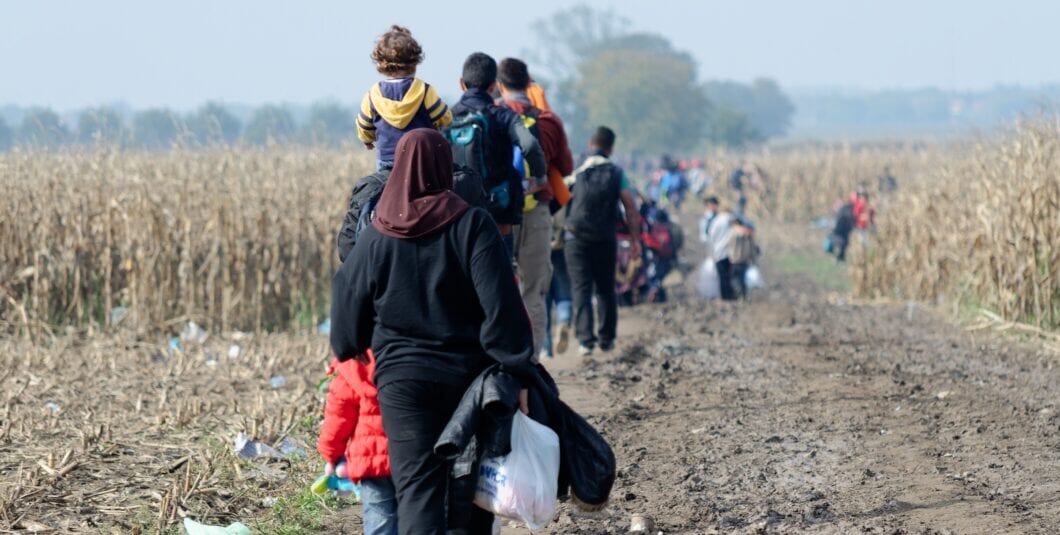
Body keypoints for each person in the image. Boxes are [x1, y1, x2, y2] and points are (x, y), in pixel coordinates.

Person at [330, 129, 535, 533]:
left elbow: (346, 303)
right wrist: (517, 371)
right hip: (470, 382)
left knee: (417, 490)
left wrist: (353, 343)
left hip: (402, 385)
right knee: (470, 488)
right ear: (446, 168)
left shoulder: (377, 235)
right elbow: (502, 306)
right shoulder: (473, 224)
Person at [497, 57, 575, 357]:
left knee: (500, 288)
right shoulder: (548, 121)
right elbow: (566, 167)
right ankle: (530, 362)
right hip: (537, 210)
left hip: (501, 214)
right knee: (534, 291)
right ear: (529, 83)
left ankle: (503, 358)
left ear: (499, 85)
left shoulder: (492, 117)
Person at [449, 52, 546, 258]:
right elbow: (529, 145)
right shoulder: (503, 116)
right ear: (494, 86)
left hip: (457, 211)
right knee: (500, 268)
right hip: (498, 209)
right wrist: (540, 178)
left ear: (461, 83)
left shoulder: (446, 118)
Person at [564, 126, 641, 355]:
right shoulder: (617, 173)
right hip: (605, 238)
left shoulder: (577, 168)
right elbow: (630, 207)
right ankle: (606, 339)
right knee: (605, 288)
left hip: (575, 237)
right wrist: (635, 240)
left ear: (591, 144)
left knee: (581, 288)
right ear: (611, 148)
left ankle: (585, 341)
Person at [317, 353, 396, 535]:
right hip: (412, 453)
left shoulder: (352, 362)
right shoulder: (412, 350)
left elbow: (338, 417)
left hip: (371, 460)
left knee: (379, 519)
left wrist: (331, 454)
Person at [355, 26, 453, 170]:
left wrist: (367, 140)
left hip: (387, 159)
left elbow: (364, 127)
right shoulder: (424, 90)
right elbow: (445, 118)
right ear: (415, 63)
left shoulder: (372, 95)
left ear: (381, 64)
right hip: (422, 157)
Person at [542, 208, 572, 358]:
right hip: (561, 247)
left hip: (539, 247)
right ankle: (563, 320)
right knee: (564, 294)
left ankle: (545, 348)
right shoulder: (564, 193)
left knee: (543, 299)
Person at [703, 197, 737, 301]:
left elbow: (711, 236)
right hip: (732, 252)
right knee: (730, 275)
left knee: (722, 276)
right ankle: (732, 295)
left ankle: (725, 297)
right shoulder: (732, 219)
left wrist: (711, 252)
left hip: (719, 252)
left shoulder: (716, 221)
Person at [728, 218, 760, 300]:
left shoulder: (749, 238)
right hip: (736, 261)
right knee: (735, 279)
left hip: (743, 261)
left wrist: (754, 262)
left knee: (742, 280)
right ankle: (737, 295)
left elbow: (752, 251)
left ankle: (743, 296)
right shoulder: (737, 235)